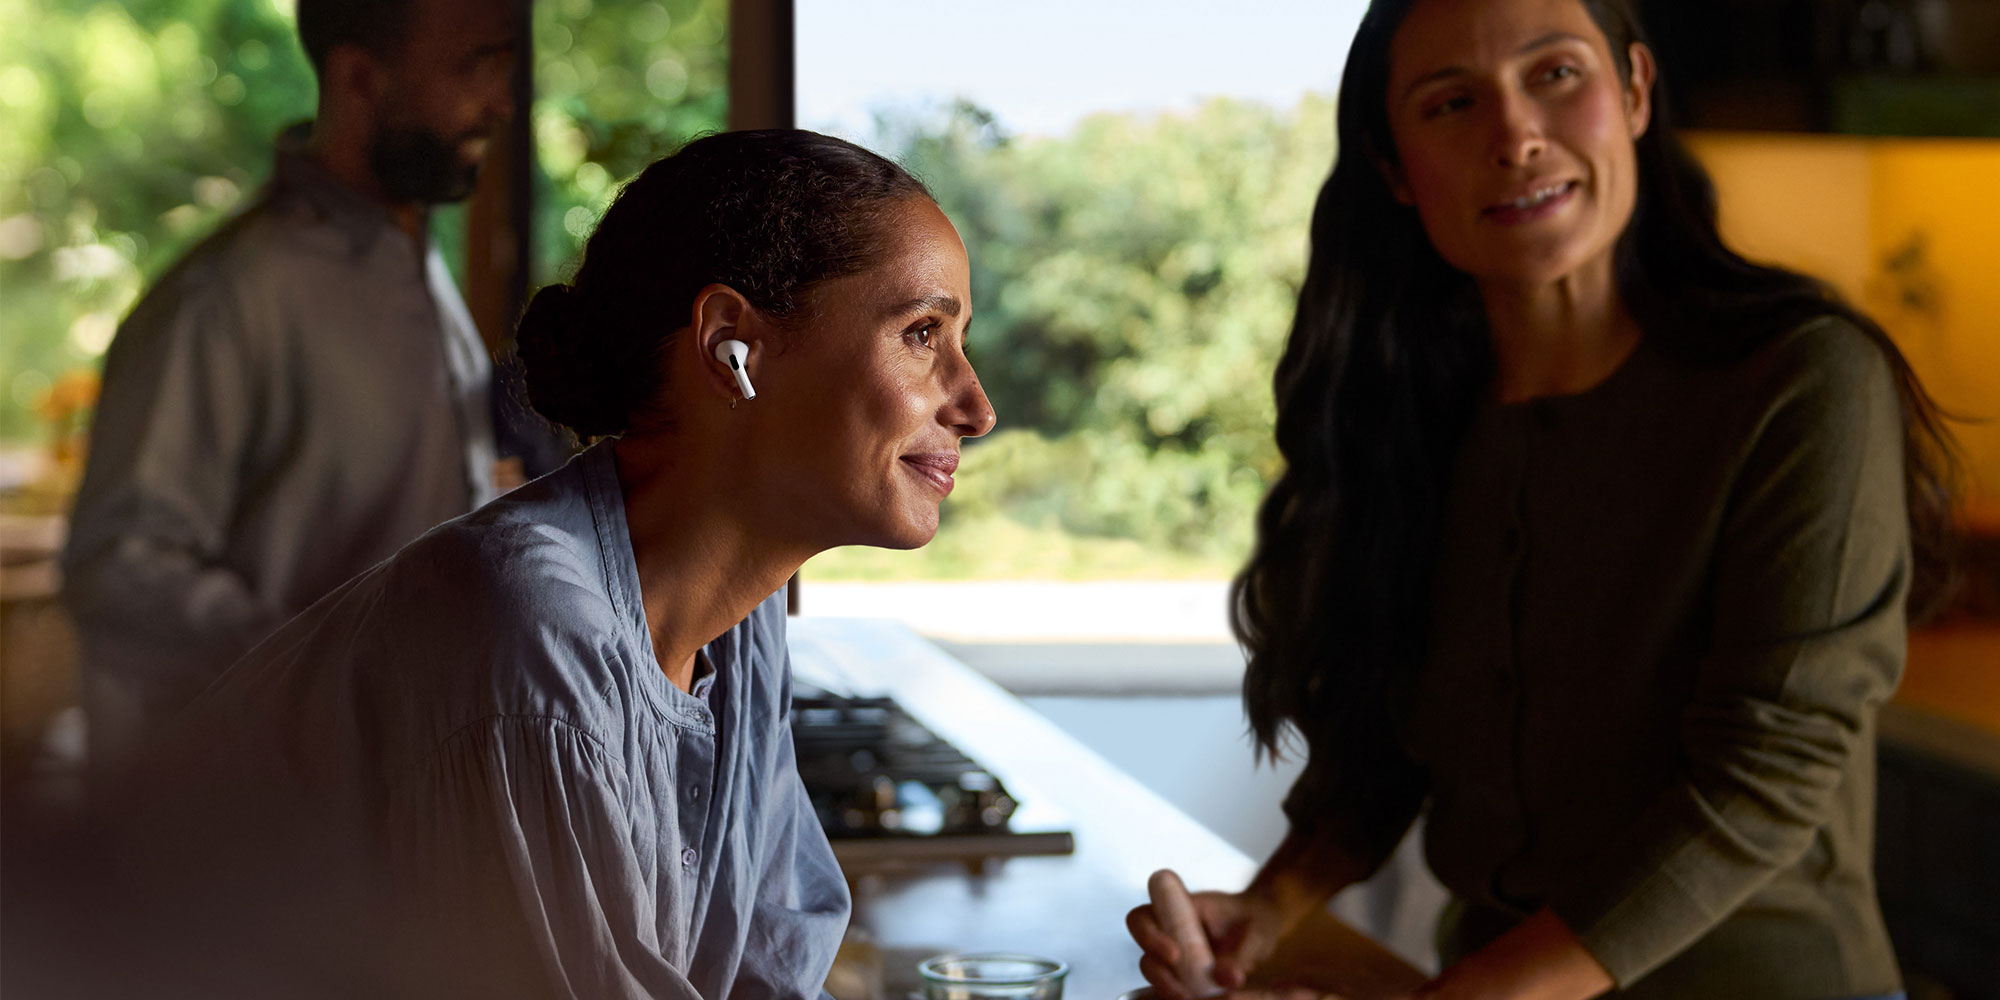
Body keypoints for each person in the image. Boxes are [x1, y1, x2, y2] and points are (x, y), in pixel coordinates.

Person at [1127, 0, 1956, 998]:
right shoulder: (1409, 418)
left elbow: (1761, 782)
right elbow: (1391, 740)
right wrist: (1263, 907)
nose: (1513, 135)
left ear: (1635, 91)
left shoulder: (1800, 379)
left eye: (1554, 74)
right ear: (1393, 167)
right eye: (1448, 103)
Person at [51, 129, 993, 1000]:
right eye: (921, 335)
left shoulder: (736, 630)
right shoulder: (527, 633)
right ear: (730, 345)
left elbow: (762, 974)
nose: (975, 406)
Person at [60, 0, 519, 771]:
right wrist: (328, 675)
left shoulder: (418, 260)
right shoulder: (225, 298)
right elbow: (119, 568)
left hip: (414, 801)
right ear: (359, 77)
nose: (502, 104)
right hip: (270, 830)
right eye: (475, 71)